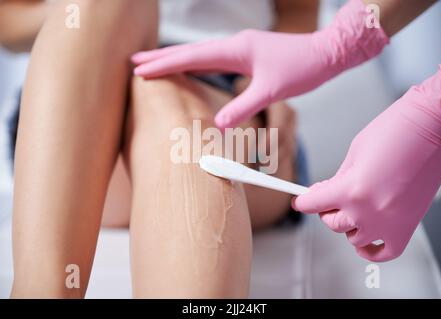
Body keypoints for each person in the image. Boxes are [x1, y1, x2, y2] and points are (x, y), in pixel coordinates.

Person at [1, 0, 317, 298]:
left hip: (229, 93)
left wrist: (269, 78)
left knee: (179, 122)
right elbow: (9, 17)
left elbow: (299, 12)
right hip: (83, 100)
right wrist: (71, 14)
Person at [133, 0, 441, 262]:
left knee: (186, 145)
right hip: (102, 92)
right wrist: (340, 41)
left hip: (226, 89)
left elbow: (298, 10)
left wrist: (439, 109)